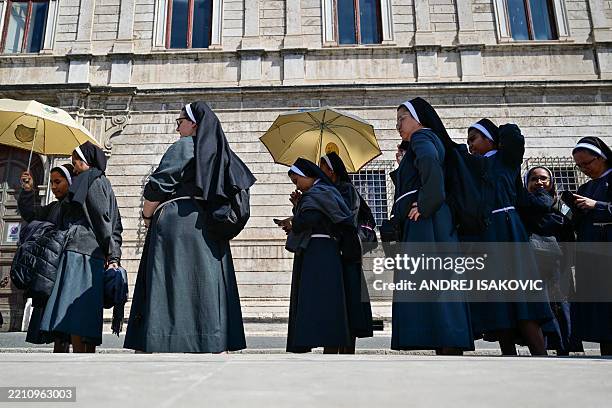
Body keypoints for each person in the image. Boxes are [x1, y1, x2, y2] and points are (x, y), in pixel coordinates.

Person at [124, 102, 255, 353]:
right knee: (204, 282)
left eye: (180, 121)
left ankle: (164, 337)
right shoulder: (221, 152)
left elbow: (158, 186)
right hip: (208, 224)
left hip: (178, 221)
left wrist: (147, 215)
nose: (177, 128)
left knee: (171, 278)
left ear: (193, 124)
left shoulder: (185, 146)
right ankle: (208, 339)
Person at [391, 97, 474, 354]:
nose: (397, 125)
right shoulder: (424, 140)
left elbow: (429, 165)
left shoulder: (422, 138)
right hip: (434, 219)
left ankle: (447, 340)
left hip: (428, 223)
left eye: (401, 118)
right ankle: (447, 339)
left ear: (418, 119)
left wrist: (425, 204)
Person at [465, 118, 552, 356]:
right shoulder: (473, 166)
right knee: (497, 297)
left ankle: (540, 353)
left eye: (474, 138)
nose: (470, 145)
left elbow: (513, 135)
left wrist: (496, 133)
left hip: (508, 230)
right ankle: (508, 353)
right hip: (485, 234)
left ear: (490, 139)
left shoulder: (506, 160)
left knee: (522, 292)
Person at [40, 142, 123, 353]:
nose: (74, 166)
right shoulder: (103, 182)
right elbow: (114, 221)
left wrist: (111, 252)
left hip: (83, 251)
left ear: (85, 161)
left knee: (76, 308)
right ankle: (82, 354)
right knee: (84, 307)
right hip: (90, 251)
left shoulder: (89, 179)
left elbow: (101, 218)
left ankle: (78, 356)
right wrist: (113, 250)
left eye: (75, 160)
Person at [281, 158, 356, 353]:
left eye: (297, 180)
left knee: (324, 298)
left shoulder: (322, 192)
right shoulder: (316, 193)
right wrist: (298, 206)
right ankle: (324, 342)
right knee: (314, 299)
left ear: (308, 176)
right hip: (315, 249)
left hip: (322, 250)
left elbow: (314, 218)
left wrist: (294, 222)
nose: (296, 185)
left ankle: (330, 342)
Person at [519, 166, 581, 355]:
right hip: (531, 261)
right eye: (534, 179)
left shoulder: (560, 203)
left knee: (561, 303)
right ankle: (542, 346)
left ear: (551, 182)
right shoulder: (522, 204)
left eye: (544, 179)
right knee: (540, 303)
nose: (539, 183)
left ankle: (565, 346)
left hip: (558, 262)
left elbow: (569, 224)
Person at [320, 152, 374, 353]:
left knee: (349, 300)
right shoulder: (326, 190)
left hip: (347, 254)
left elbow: (345, 218)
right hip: (333, 254)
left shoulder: (346, 190)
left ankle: (347, 347)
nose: (320, 171)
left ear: (332, 171)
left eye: (323, 167)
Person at [18, 164, 74, 352]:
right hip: (49, 270)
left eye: (58, 182)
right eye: (51, 183)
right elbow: (31, 214)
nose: (54, 187)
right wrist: (28, 190)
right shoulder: (54, 207)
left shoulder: (75, 205)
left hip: (65, 269)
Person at [570, 137, 612, 355]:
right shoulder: (585, 187)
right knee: (601, 310)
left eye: (587, 163)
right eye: (579, 166)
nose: (584, 169)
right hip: (592, 253)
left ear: (602, 157)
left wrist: (597, 205)